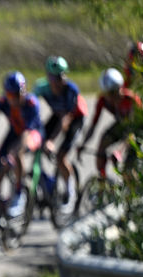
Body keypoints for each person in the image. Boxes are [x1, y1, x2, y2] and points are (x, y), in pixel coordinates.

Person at [0, 71, 42, 218]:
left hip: (32, 133)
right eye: (11, 96)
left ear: (24, 92)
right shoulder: (1, 102)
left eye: (18, 95)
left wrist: (12, 154)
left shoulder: (31, 103)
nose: (15, 100)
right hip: (15, 132)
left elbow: (26, 134)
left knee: (17, 154)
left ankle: (19, 192)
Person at [34, 56, 87, 208]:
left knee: (61, 156)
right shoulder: (41, 87)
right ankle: (51, 180)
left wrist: (51, 141)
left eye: (61, 77)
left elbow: (66, 119)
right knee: (39, 144)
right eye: (53, 77)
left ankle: (71, 192)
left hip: (75, 118)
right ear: (47, 76)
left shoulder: (71, 90)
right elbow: (31, 107)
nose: (57, 82)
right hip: (58, 115)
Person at [77, 68, 142, 178]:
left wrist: (120, 151)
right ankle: (103, 180)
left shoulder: (131, 99)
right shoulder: (103, 101)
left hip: (137, 130)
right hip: (121, 125)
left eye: (114, 93)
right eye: (108, 94)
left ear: (120, 88)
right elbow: (93, 125)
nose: (111, 98)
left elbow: (134, 130)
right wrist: (83, 144)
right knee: (103, 142)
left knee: (128, 169)